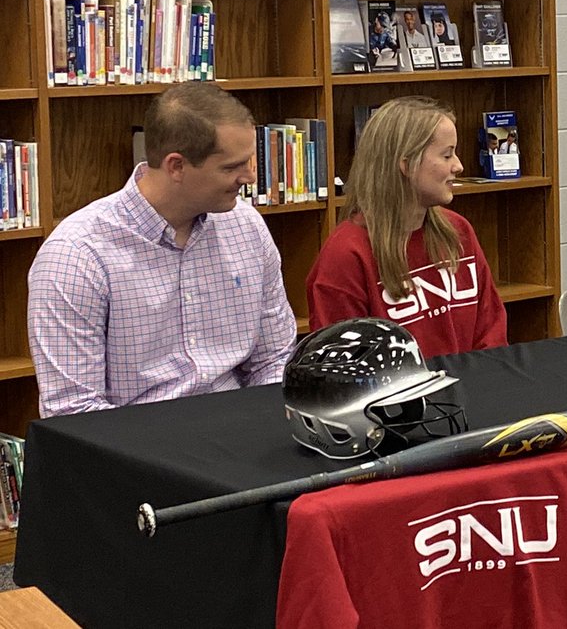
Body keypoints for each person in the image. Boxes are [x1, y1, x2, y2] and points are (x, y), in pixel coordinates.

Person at [27, 83, 297, 418]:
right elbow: (74, 411)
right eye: (231, 167)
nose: (250, 177)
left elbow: (274, 358)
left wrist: (256, 426)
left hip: (243, 432)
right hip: (135, 451)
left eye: (249, 161)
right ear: (176, 167)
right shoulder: (77, 255)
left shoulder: (246, 227)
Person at [306, 96, 506, 357]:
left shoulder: (458, 231)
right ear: (406, 165)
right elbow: (341, 365)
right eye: (447, 155)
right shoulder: (346, 254)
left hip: (471, 388)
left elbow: (491, 332)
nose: (458, 166)